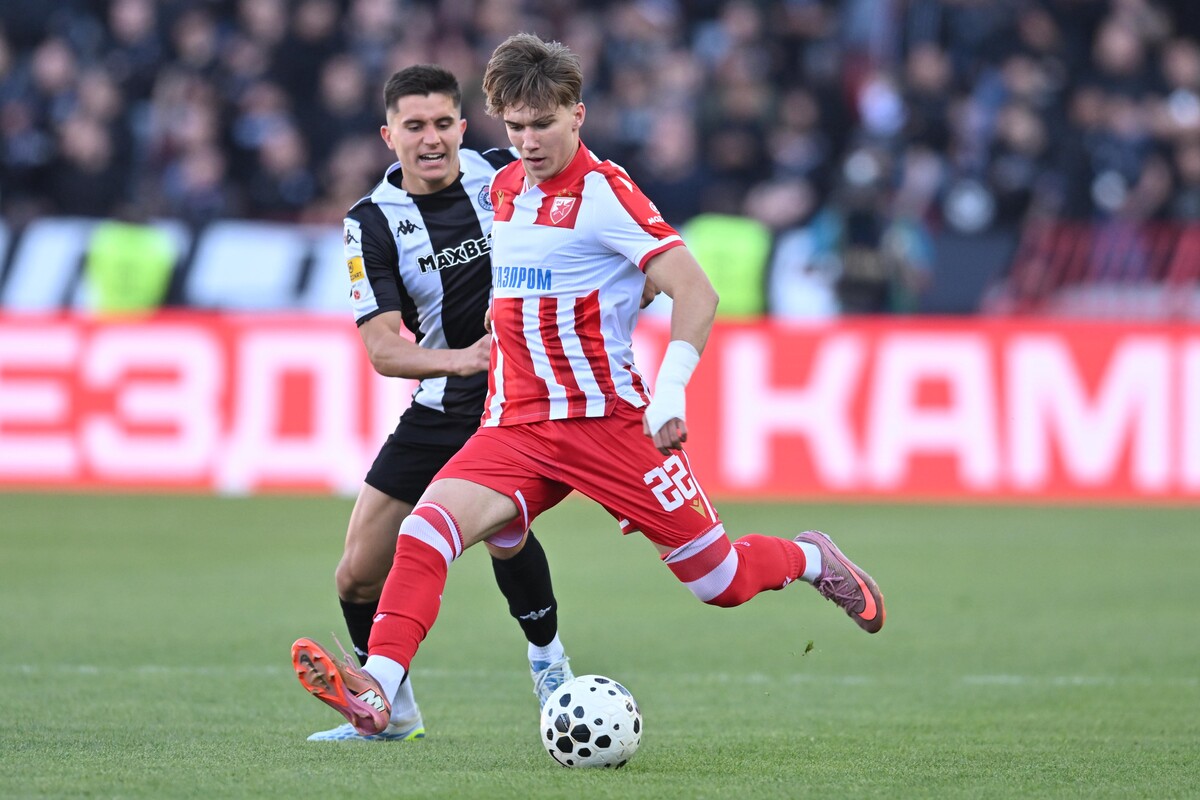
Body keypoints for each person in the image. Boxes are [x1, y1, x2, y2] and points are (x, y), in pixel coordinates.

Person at [292, 34, 886, 738]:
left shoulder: (607, 195)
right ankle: (382, 694)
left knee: (719, 583)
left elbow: (696, 294)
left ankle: (813, 557)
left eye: (543, 124)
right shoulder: (505, 185)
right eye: (514, 127)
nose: (528, 141)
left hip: (610, 424)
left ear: (578, 114)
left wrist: (669, 394)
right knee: (426, 530)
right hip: (517, 424)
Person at [300, 64, 575, 742]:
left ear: (462, 125)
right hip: (443, 400)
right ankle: (389, 713)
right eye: (415, 126)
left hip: (520, 397)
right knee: (359, 572)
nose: (432, 139)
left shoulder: (506, 171)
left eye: (444, 123)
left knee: (501, 533)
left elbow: (581, 218)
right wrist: (461, 359)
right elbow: (384, 350)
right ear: (388, 135)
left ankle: (551, 667)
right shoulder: (370, 223)